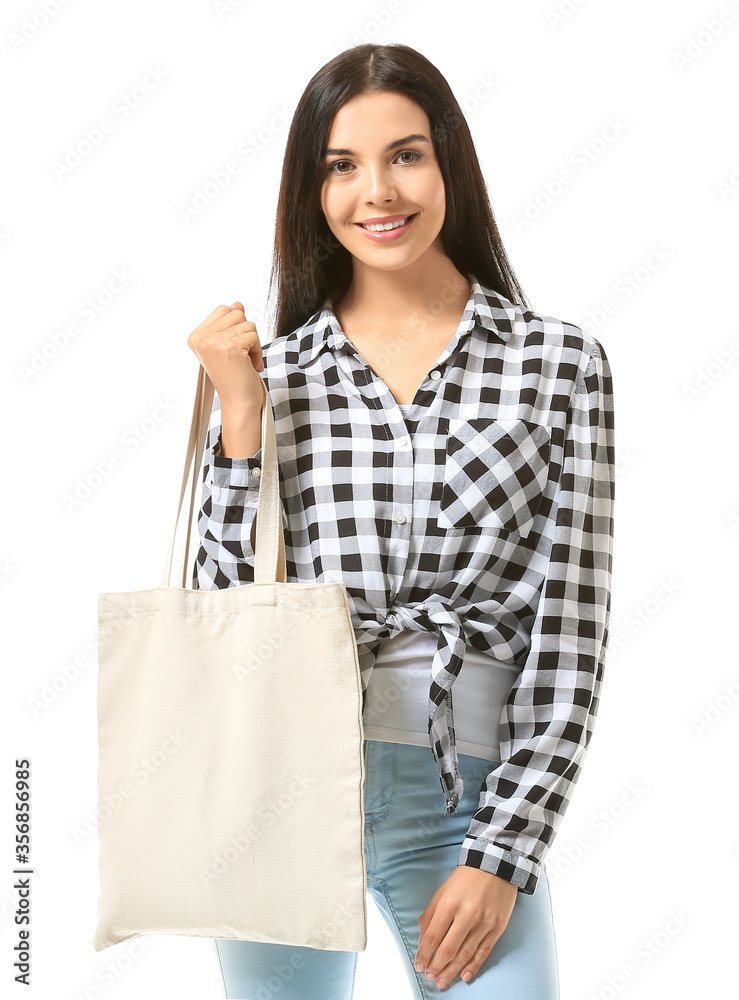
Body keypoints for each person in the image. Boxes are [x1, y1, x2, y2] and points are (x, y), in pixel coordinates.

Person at [188, 42, 615, 1000]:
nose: (376, 191)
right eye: (341, 165)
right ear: (312, 188)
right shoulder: (276, 375)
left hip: (462, 799)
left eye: (405, 155)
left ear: (449, 162)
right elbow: (222, 623)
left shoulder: (559, 365)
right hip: (282, 789)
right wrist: (241, 424)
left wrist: (503, 852)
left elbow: (570, 633)